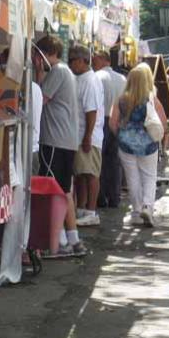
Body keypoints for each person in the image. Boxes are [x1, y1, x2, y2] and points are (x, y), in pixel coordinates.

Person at [33, 36, 85, 256]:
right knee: (64, 190)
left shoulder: (57, 71)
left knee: (52, 191)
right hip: (66, 140)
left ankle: (58, 242)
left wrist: (38, 73)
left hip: (54, 139)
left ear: (45, 54)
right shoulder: (66, 72)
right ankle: (71, 239)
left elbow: (39, 98)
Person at [110, 64, 167, 226]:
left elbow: (112, 122)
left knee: (132, 177)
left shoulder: (121, 99)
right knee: (149, 176)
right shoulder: (151, 98)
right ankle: (147, 207)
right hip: (148, 143)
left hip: (126, 144)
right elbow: (162, 121)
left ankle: (136, 211)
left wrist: (120, 136)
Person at [68, 46, 105, 227]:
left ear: (82, 61)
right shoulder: (80, 78)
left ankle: (91, 210)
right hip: (79, 134)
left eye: (72, 61)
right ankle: (82, 208)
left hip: (88, 134)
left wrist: (88, 136)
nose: (70, 64)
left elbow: (91, 111)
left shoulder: (90, 80)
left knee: (90, 173)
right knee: (81, 174)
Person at [93, 50, 126, 208]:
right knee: (114, 161)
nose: (93, 63)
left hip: (101, 120)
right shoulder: (122, 79)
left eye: (95, 60)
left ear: (102, 59)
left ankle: (101, 197)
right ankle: (114, 197)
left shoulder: (97, 77)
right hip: (119, 121)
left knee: (99, 161)